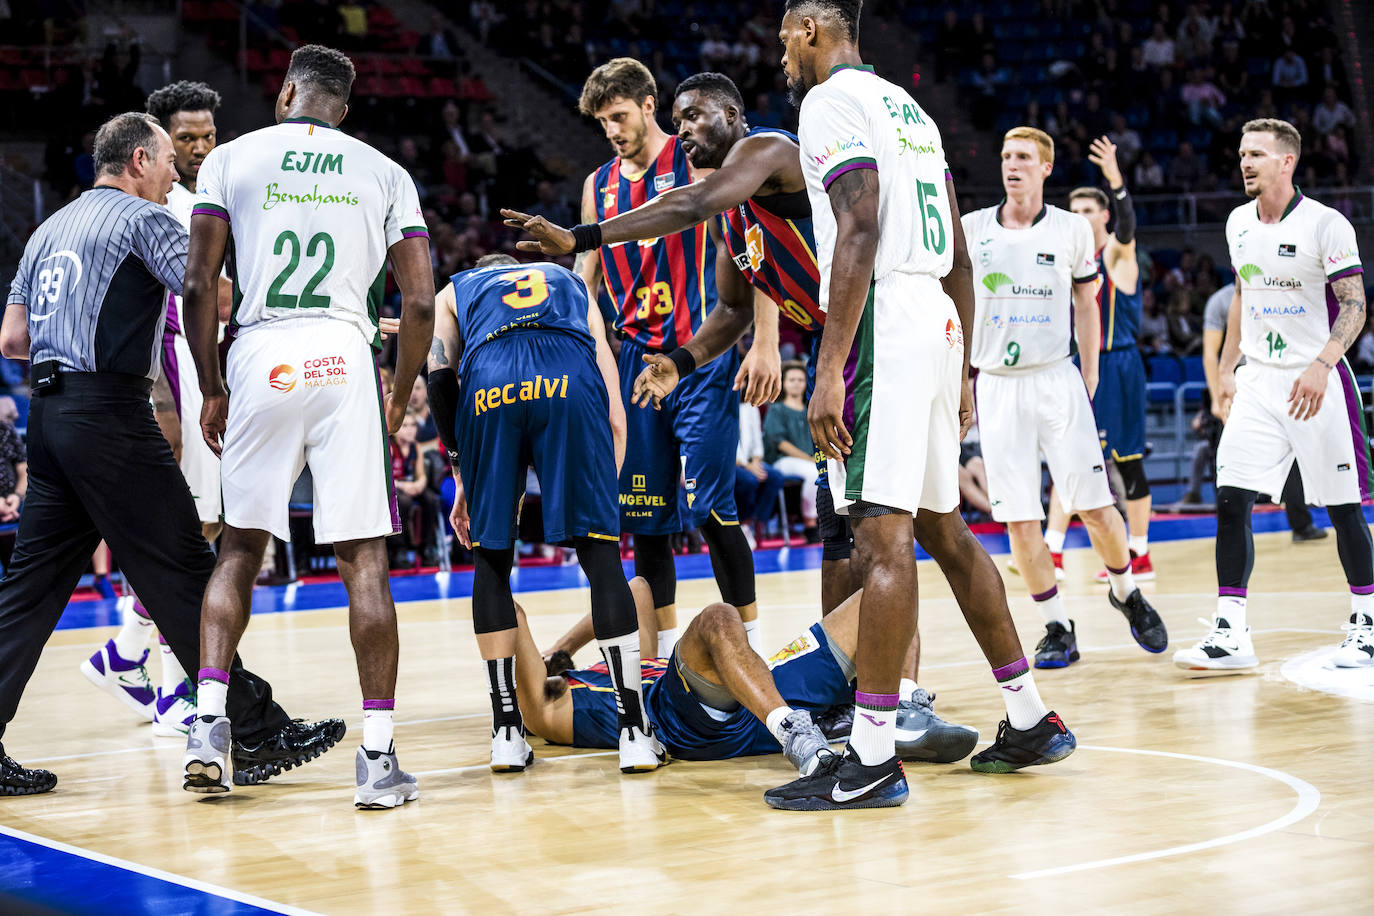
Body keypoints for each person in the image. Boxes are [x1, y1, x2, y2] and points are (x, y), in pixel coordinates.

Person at [505, 70, 1017, 760]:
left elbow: (693, 201)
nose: (683, 131)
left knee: (885, 541)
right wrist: (680, 361)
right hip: (864, 350)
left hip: (874, 344)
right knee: (857, 538)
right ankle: (921, 705)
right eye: (677, 121)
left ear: (731, 114)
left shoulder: (771, 151)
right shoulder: (735, 220)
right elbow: (729, 311)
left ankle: (897, 705)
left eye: (694, 116)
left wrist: (583, 237)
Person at [766, 1, 1075, 812]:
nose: (781, 55)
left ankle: (870, 757)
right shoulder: (911, 109)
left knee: (881, 538)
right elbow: (962, 257)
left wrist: (828, 367)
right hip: (936, 319)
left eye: (784, 38)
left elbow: (858, 226)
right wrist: (962, 367)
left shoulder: (829, 101)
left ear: (811, 30)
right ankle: (1030, 717)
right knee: (943, 527)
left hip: (886, 323)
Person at [0, 111, 343, 797]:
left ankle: (246, 719)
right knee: (186, 568)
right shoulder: (141, 219)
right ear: (137, 161)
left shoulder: (46, 230)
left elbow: (11, 339)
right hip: (110, 417)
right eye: (164, 164)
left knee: (27, 591)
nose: (171, 179)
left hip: (51, 417)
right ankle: (255, 728)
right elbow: (209, 291)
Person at [180, 45, 436, 806]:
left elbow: (198, 282)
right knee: (364, 558)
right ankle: (378, 760)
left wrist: (212, 386)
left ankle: (208, 726)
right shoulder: (385, 172)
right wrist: (399, 394)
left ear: (287, 90)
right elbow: (421, 303)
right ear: (344, 110)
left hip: (261, 352)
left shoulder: (230, 158)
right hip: (342, 356)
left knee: (238, 548)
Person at [529, 59, 763, 662]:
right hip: (635, 362)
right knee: (647, 521)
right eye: (602, 122)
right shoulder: (598, 185)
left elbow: (751, 250)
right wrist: (575, 353)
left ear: (649, 105)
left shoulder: (696, 163)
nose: (612, 130)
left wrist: (764, 341)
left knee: (710, 508)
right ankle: (661, 661)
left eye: (619, 116)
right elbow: (585, 283)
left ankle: (752, 649)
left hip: (698, 353)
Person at [425, 256, 666, 773]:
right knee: (602, 556)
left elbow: (440, 378)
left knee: (490, 559)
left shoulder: (455, 290)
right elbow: (613, 404)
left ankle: (506, 734)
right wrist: (605, 478)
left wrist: (462, 473)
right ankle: (633, 733)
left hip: (489, 382)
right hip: (568, 377)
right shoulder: (571, 282)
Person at [964, 125, 1168, 671]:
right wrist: (960, 379)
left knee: (1097, 508)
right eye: (1006, 155)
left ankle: (1126, 592)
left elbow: (1087, 302)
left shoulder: (1073, 229)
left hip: (1057, 378)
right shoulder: (972, 229)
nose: (1012, 165)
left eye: (1024, 157)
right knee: (1020, 521)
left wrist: (1090, 371)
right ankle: (1056, 626)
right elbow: (956, 307)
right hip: (997, 384)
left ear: (1046, 168)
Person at [1174, 118, 1373, 672]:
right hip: (1259, 380)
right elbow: (1242, 294)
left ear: (1287, 161)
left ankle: (1367, 624)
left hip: (1317, 380)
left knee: (1343, 508)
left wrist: (1322, 364)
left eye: (1257, 154)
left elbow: (1355, 305)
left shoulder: (1326, 224)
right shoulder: (1238, 222)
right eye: (1242, 153)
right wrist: (1226, 369)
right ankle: (1230, 633)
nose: (1245, 162)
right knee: (1231, 497)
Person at [80, 80, 229, 738]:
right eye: (185, 138)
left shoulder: (204, 197)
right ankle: (172, 687)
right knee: (188, 529)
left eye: (208, 135)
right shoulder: (163, 203)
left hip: (198, 366)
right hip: (173, 363)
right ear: (160, 144)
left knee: (204, 526)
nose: (199, 148)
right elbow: (207, 296)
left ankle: (126, 654)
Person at [516, 578, 979, 776]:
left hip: (757, 691)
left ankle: (903, 713)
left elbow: (636, 590)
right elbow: (509, 615)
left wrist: (562, 649)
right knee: (718, 618)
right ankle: (799, 738)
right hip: (686, 724)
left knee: (885, 593)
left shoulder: (621, 663)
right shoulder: (550, 710)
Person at [1053, 138, 1156, 583]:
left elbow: (1128, 227)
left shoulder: (1115, 253)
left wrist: (1115, 179)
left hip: (1119, 365)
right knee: (1067, 455)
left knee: (1127, 462)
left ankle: (1139, 552)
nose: (1079, 216)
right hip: (1077, 365)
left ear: (1104, 216)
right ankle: (1052, 550)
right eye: (1072, 210)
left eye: (1087, 210)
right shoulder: (1066, 260)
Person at [1202, 281, 1326, 540]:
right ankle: (1230, 529)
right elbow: (1210, 353)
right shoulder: (1221, 301)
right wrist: (1216, 397)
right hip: (1238, 383)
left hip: (1276, 378)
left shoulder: (1277, 289)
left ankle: (1301, 525)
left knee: (1291, 452)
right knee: (1231, 460)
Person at [763, 360, 819, 539]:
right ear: (783, 383)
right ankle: (810, 524)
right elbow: (780, 443)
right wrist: (808, 459)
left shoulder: (811, 409)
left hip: (811, 459)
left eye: (800, 380)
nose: (796, 383)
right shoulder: (777, 409)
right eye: (792, 380)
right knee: (814, 473)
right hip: (782, 461)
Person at [735, 400, 784, 548]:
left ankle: (757, 521)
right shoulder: (720, 407)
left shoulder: (750, 408)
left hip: (751, 461)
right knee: (749, 480)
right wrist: (747, 465)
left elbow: (757, 438)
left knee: (775, 477)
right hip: (730, 462)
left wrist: (756, 461)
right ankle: (743, 522)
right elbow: (725, 444)